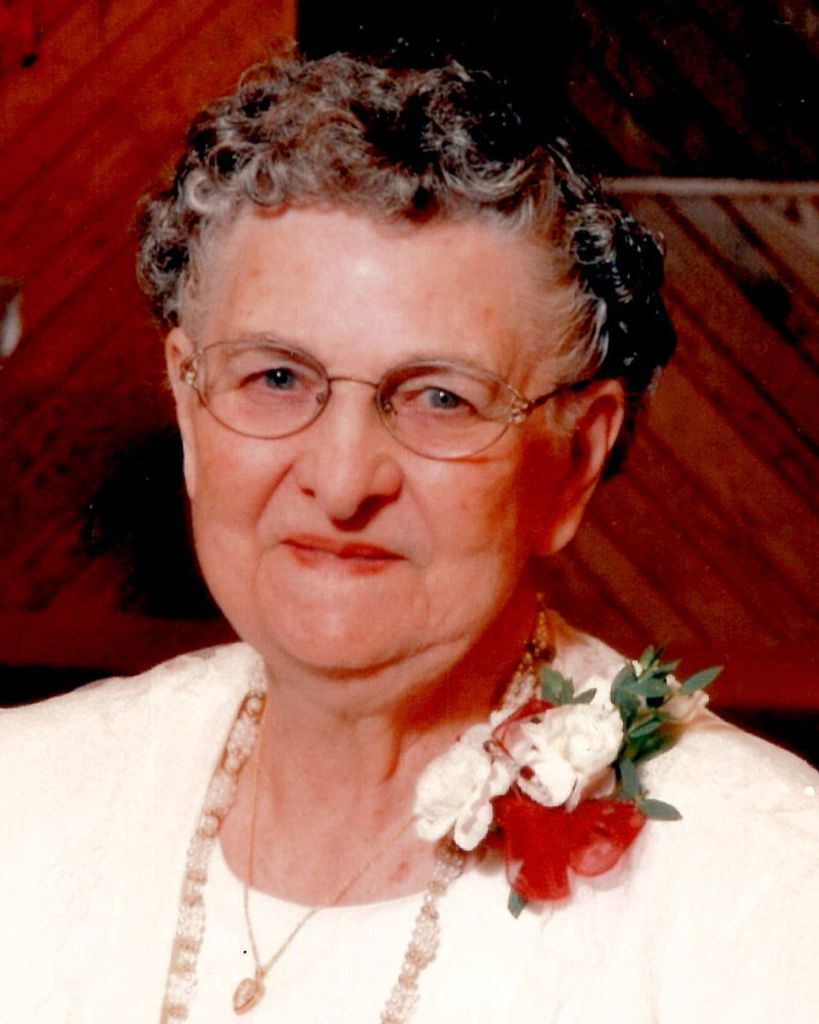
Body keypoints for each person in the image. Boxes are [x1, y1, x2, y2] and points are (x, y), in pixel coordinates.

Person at [1, 48, 817, 1024]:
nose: (343, 482)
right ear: (188, 404)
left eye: (440, 397)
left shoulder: (762, 888)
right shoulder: (25, 797)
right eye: (276, 379)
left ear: (574, 458)